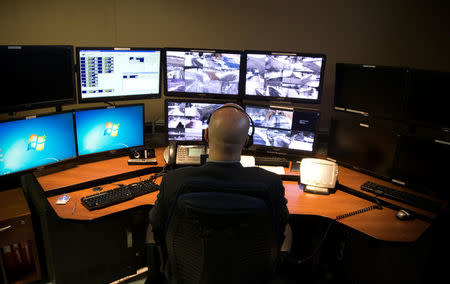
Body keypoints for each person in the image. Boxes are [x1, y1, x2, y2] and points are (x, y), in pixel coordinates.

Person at [146, 103, 289, 282]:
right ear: (246, 142)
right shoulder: (271, 184)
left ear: (206, 136)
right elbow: (279, 230)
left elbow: (158, 230)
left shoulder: (173, 181)